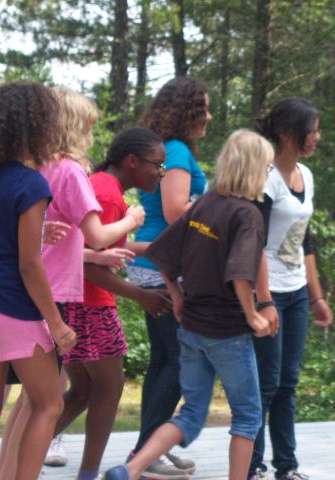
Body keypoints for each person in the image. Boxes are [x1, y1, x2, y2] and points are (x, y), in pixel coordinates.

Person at [104, 129, 278, 480]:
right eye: (267, 167)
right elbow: (240, 272)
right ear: (255, 168)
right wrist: (254, 315)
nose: (268, 173)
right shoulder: (248, 214)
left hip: (192, 328)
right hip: (227, 331)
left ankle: (131, 468)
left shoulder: (205, 203)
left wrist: (179, 299)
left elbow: (162, 253)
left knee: (191, 413)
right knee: (247, 416)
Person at [0, 88, 146, 480]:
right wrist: (131, 220)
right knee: (44, 403)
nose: (93, 138)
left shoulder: (37, 168)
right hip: (56, 296)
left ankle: (7, 473)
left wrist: (94, 258)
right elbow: (97, 233)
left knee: (25, 403)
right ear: (75, 128)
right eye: (90, 128)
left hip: (26, 290)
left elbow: (56, 241)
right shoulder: (70, 171)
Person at [46, 127, 172, 480]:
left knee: (83, 390)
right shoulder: (107, 193)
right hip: (90, 303)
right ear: (132, 161)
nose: (161, 173)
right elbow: (87, 264)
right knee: (109, 387)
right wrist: (141, 295)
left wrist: (156, 249)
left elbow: (101, 249)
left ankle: (22, 454)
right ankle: (86, 473)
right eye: (157, 165)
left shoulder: (102, 185)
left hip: (74, 302)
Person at [0, 82, 77, 480]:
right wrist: (57, 323)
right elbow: (29, 265)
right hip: (12, 309)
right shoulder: (30, 184)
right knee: (49, 404)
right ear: (38, 127)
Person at [126, 76, 212, 477]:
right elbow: (176, 209)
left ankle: (148, 448)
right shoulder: (175, 151)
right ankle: (145, 455)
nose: (209, 116)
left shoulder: (168, 149)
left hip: (154, 266)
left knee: (165, 360)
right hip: (162, 269)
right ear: (187, 111)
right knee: (176, 362)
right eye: (204, 108)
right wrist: (220, 205)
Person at [249, 97, 334, 480]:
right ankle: (252, 465)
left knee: (288, 383)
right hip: (268, 293)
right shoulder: (265, 178)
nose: (317, 136)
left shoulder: (306, 175)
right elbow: (254, 244)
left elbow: (305, 240)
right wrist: (264, 300)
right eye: (312, 130)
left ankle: (287, 467)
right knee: (265, 384)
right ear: (287, 134)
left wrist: (316, 297)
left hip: (297, 291)